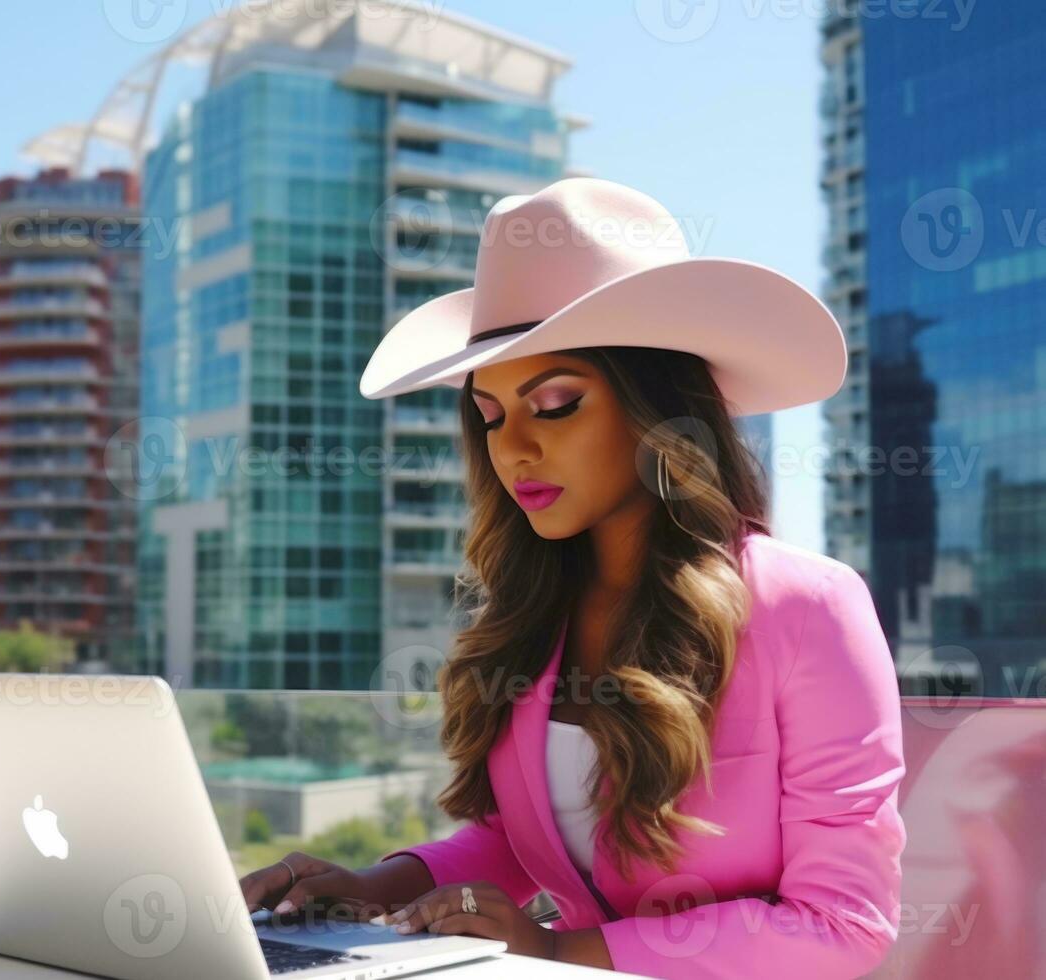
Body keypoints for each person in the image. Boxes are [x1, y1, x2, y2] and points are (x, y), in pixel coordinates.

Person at [240, 177, 906, 976]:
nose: (513, 448)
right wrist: (372, 888)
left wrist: (564, 951)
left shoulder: (809, 607)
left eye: (554, 404)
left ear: (657, 407)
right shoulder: (534, 610)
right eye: (488, 416)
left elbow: (842, 924)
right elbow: (527, 840)